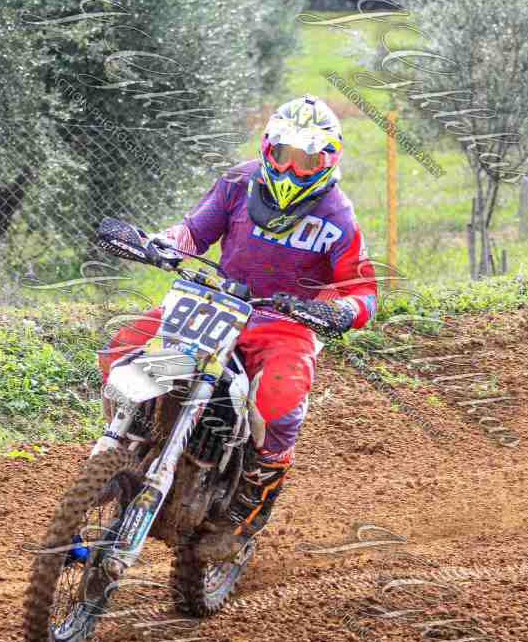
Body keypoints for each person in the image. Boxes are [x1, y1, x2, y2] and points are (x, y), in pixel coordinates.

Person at [98, 95, 378, 561]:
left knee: (278, 402)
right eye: (284, 155)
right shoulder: (237, 183)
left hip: (285, 322)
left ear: (329, 161)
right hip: (217, 303)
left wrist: (341, 311)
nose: (292, 169)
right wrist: (155, 244)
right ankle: (126, 443)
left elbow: (361, 287)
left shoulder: (338, 216)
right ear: (268, 149)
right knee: (125, 347)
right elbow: (193, 232)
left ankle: (249, 506)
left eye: (308, 160)